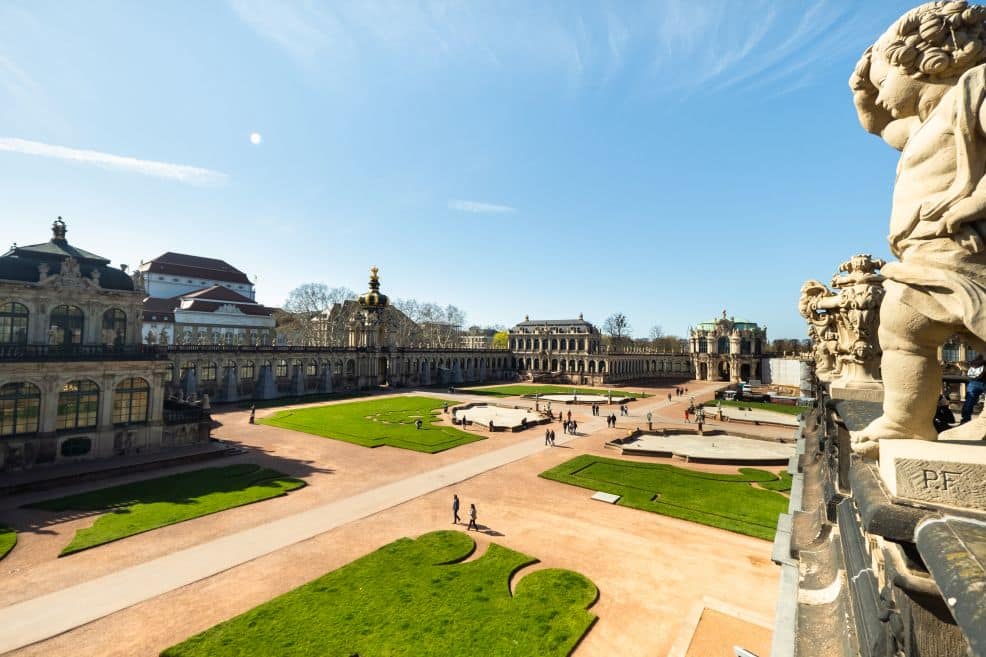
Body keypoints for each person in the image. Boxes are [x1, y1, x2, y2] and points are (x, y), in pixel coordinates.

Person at [848, 4, 986, 448]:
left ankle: (908, 419)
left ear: (927, 63)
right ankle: (908, 420)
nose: (881, 94)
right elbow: (878, 127)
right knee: (901, 325)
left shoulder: (973, 93)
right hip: (927, 255)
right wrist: (861, 92)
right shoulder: (923, 125)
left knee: (908, 326)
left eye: (884, 81)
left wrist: (972, 204)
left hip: (963, 247)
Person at [962, 357, 986, 423]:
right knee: (969, 401)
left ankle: (965, 419)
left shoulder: (979, 356)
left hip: (973, 382)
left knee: (969, 401)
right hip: (980, 382)